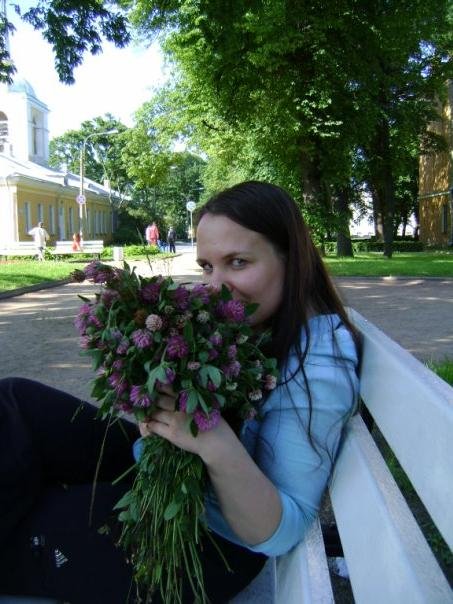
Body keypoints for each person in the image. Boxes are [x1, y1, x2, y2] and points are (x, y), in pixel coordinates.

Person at [0, 181, 361, 603]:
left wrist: (210, 439)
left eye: (238, 262)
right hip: (185, 481)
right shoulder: (262, 324)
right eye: (208, 267)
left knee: (38, 524)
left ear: (290, 259)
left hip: (206, 542)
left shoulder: (319, 364)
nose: (215, 287)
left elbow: (276, 531)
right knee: (16, 403)